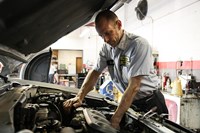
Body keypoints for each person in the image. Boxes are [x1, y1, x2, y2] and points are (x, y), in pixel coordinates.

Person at [63, 10, 168, 129]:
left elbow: (134, 87)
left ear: (118, 24)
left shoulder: (138, 45)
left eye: (108, 33)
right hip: (131, 103)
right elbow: (96, 71)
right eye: (101, 35)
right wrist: (80, 96)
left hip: (151, 104)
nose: (106, 39)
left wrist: (116, 118)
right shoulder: (107, 48)